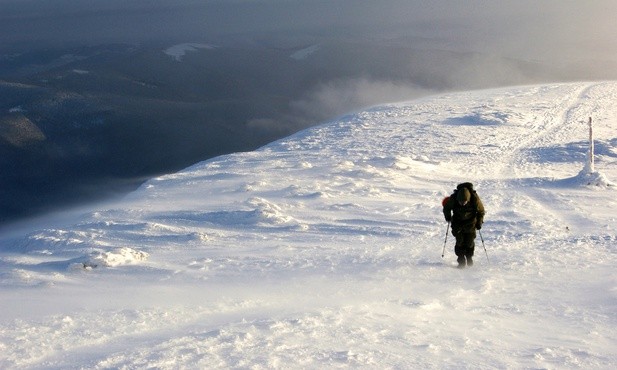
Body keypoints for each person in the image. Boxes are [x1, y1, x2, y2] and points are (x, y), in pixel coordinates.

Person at [442, 182, 485, 268]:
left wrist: (479, 222)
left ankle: (469, 257)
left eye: (464, 202)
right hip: (457, 223)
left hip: (471, 223)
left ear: (468, 199)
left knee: (469, 242)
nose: (462, 203)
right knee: (460, 241)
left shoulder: (475, 199)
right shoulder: (453, 198)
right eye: (461, 202)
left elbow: (481, 211)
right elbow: (446, 208)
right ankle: (461, 260)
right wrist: (448, 217)